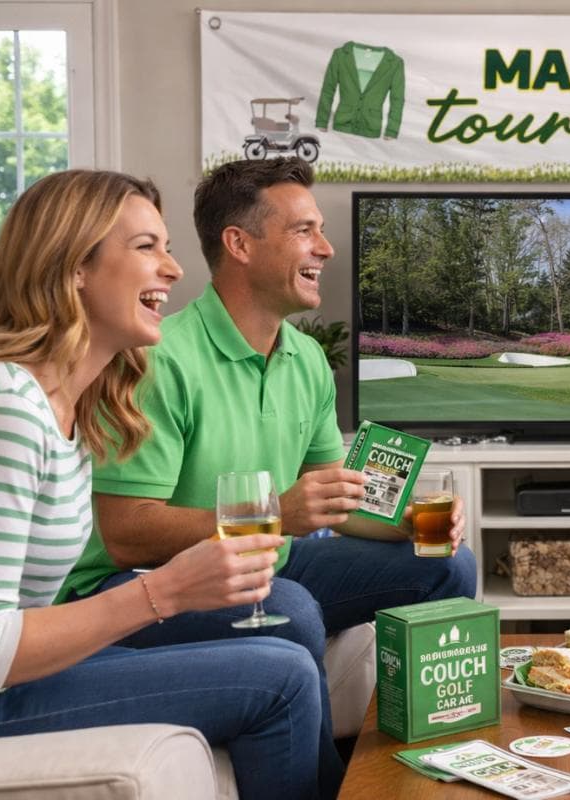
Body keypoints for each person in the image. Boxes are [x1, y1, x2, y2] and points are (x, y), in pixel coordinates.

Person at [61, 158, 477, 732]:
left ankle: (424, 749)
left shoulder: (305, 358)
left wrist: (406, 520)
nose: (325, 249)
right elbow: (125, 533)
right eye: (304, 231)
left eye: (321, 231)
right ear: (240, 244)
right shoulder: (156, 359)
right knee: (290, 608)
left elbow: (334, 501)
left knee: (447, 564)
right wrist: (277, 515)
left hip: (267, 561)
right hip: (144, 582)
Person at [0, 169, 337, 799]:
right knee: (283, 672)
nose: (175, 271)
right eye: (146, 247)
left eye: (169, 247)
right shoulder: (10, 408)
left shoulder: (77, 403)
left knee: (286, 656)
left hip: (37, 667)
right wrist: (166, 591)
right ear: (75, 266)